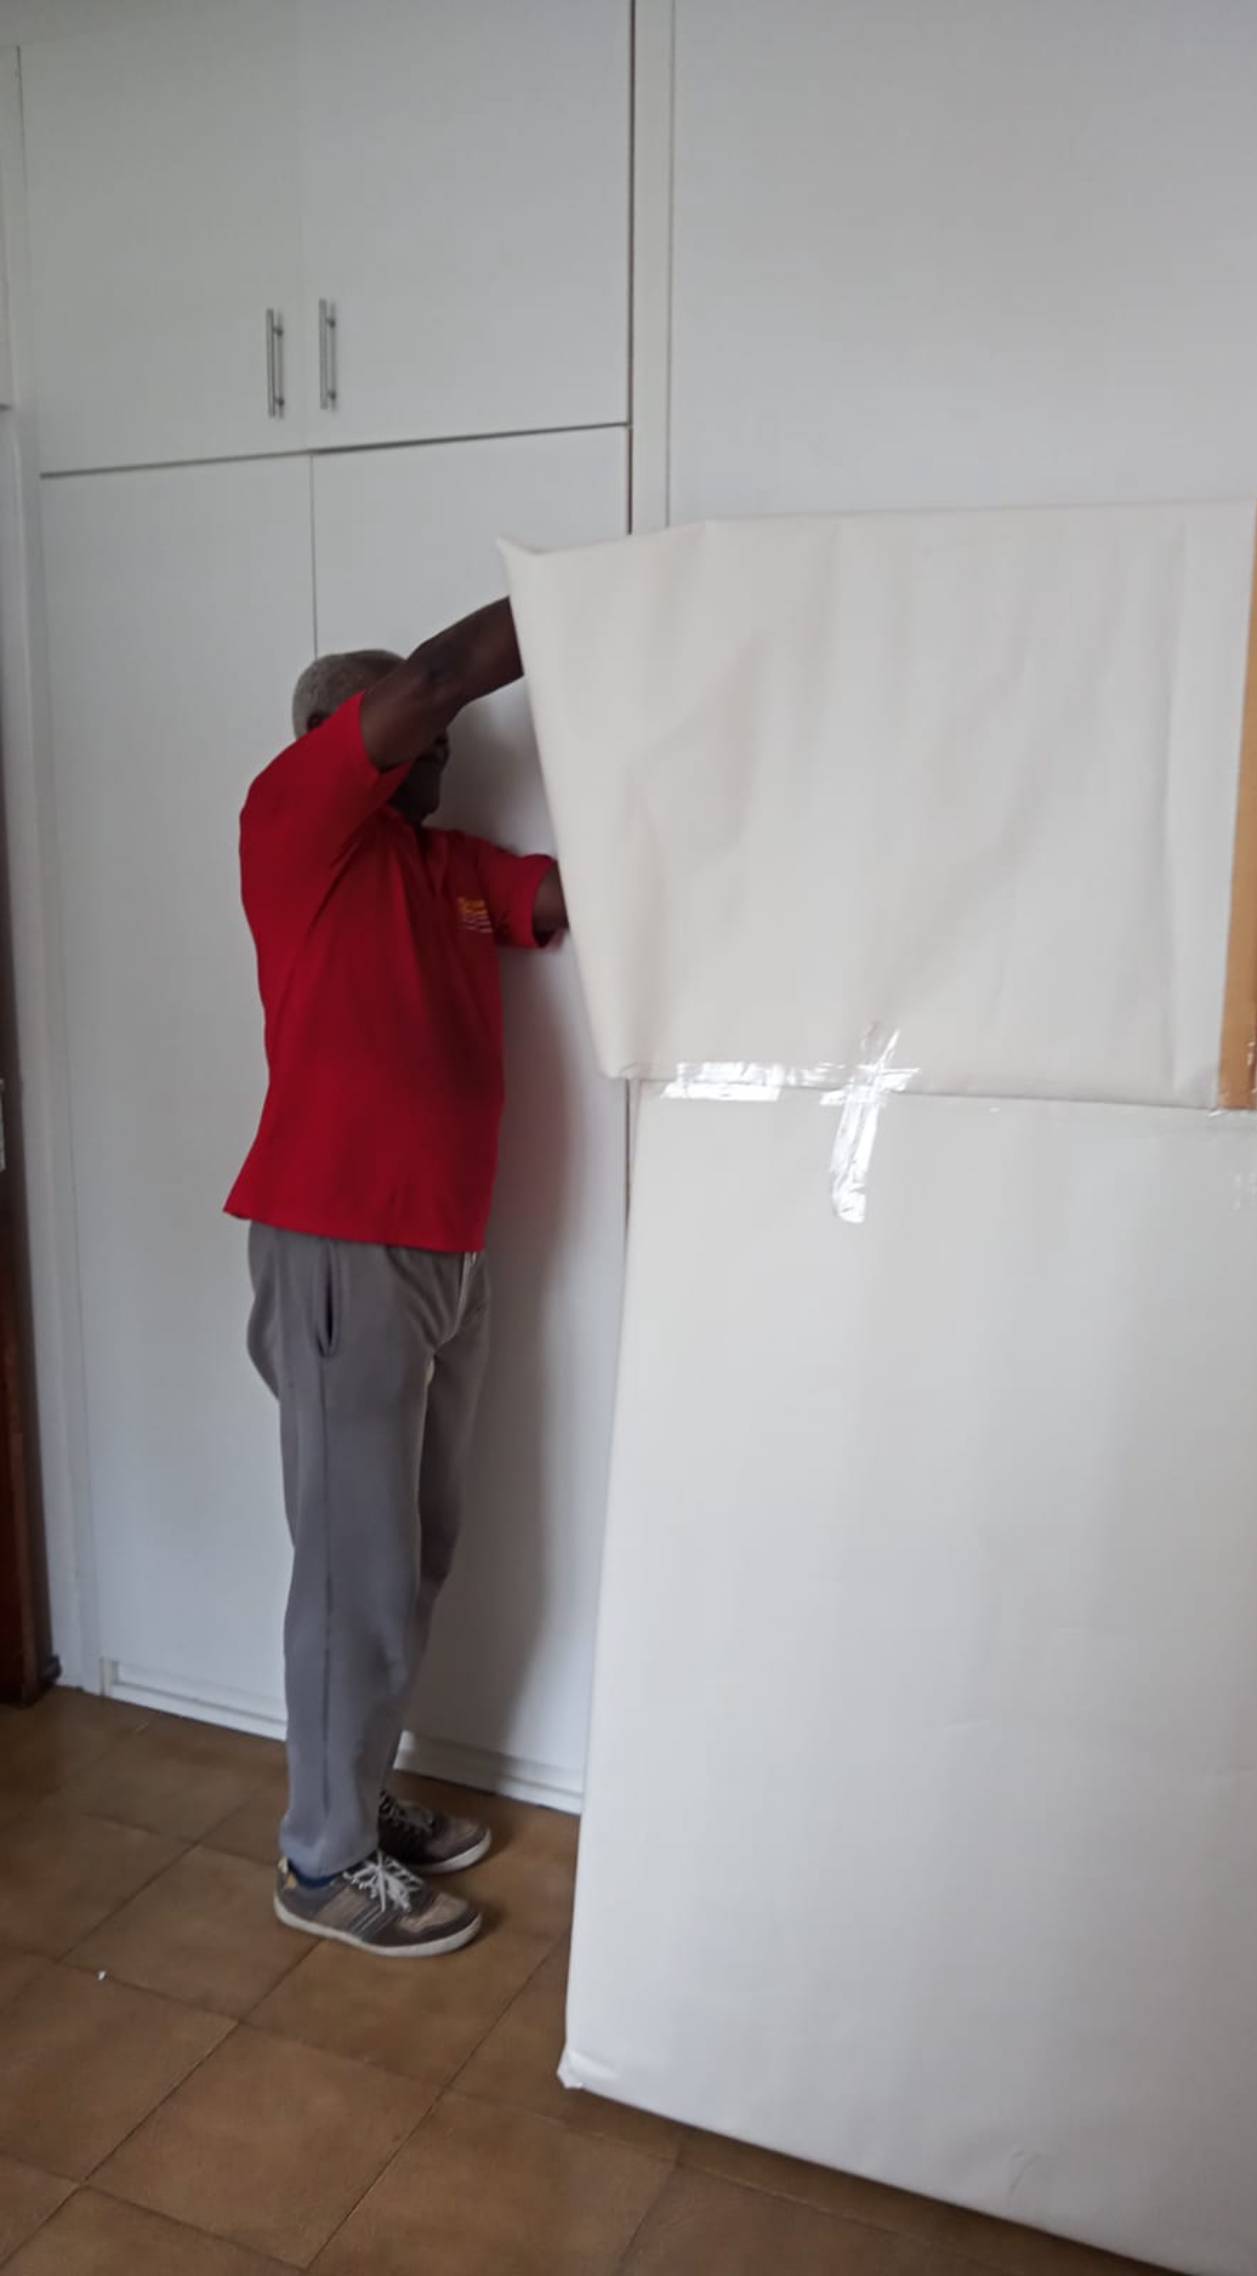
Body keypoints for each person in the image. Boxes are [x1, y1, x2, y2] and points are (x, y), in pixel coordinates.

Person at [226, 598, 566, 1958]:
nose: (445, 751)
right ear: (335, 736)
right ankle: (320, 1861)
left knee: (416, 1547)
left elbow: (560, 902)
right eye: (422, 737)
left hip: (446, 1253)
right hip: (339, 1247)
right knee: (352, 1568)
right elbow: (436, 675)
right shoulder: (294, 823)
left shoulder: (447, 871)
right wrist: (577, 602)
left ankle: (353, 1796)